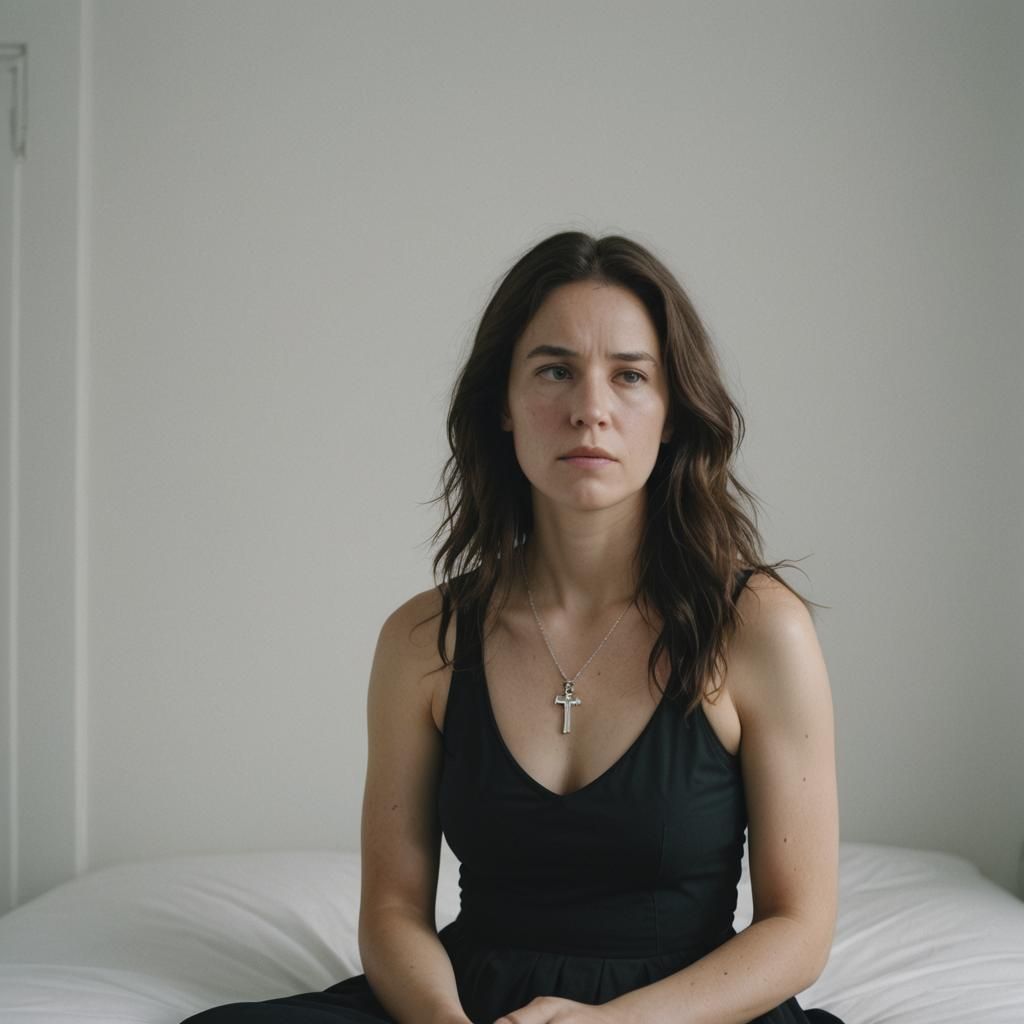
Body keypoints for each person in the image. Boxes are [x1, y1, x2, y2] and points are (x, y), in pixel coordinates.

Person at [180, 231, 844, 1023]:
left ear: (670, 415)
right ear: (503, 402)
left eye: (630, 376)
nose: (589, 410)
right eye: (555, 370)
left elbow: (799, 928)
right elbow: (392, 911)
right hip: (468, 1008)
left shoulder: (758, 630)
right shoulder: (423, 640)